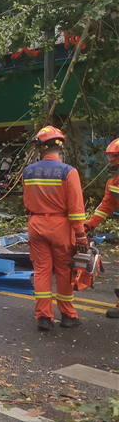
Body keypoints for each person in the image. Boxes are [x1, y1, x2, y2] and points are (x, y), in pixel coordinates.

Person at [22, 126, 88, 331]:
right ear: (60, 147)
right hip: (61, 227)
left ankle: (44, 317)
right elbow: (76, 210)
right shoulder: (69, 172)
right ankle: (68, 315)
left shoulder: (27, 172)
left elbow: (27, 202)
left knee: (41, 271)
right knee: (64, 270)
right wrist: (81, 236)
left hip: (36, 224)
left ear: (40, 147)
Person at [83, 137, 119, 319]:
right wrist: (89, 224)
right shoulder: (113, 183)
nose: (110, 161)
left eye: (113, 156)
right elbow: (105, 207)